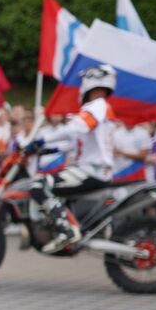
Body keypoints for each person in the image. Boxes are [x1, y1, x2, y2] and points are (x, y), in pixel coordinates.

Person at [28, 64, 118, 252]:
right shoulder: (100, 108)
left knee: (39, 185)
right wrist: (46, 148)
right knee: (54, 186)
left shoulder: (97, 106)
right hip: (92, 169)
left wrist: (41, 139)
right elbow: (75, 141)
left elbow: (75, 128)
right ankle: (64, 227)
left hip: (91, 170)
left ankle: (67, 232)